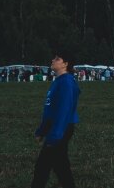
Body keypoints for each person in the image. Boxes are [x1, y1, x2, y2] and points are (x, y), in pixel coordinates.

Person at [32, 50, 80, 188]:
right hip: (55, 128)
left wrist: (54, 137)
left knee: (42, 167)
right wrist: (42, 131)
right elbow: (50, 111)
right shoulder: (59, 81)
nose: (53, 60)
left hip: (61, 129)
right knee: (61, 167)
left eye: (57, 58)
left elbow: (63, 113)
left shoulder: (67, 83)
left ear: (65, 64)